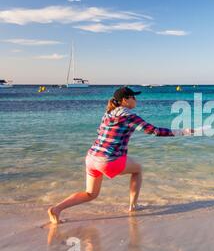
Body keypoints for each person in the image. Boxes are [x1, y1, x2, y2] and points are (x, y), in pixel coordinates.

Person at [48, 87, 191, 224]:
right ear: (125, 100)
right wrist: (183, 132)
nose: (136, 100)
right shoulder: (129, 116)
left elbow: (100, 132)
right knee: (138, 169)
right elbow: (154, 131)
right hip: (107, 160)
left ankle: (56, 209)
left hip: (91, 157)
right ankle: (133, 207)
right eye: (134, 97)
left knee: (90, 194)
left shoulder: (108, 114)